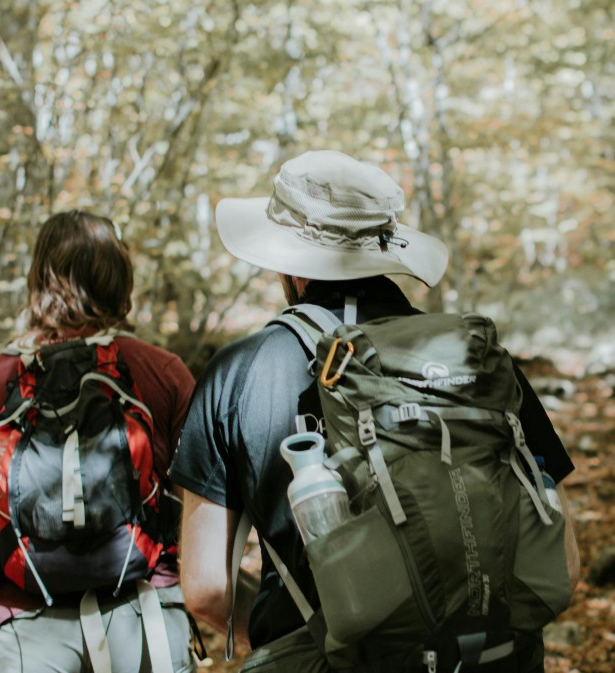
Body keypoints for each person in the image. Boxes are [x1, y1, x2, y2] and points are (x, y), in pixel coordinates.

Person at [170, 149, 581, 672]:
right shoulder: (475, 360)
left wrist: (302, 639)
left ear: (288, 264)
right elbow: (564, 554)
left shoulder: (238, 373)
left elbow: (206, 588)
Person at [0, 210, 197, 673]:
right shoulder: (162, 373)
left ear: (37, 279)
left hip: (26, 628)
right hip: (146, 621)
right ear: (120, 277)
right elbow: (198, 510)